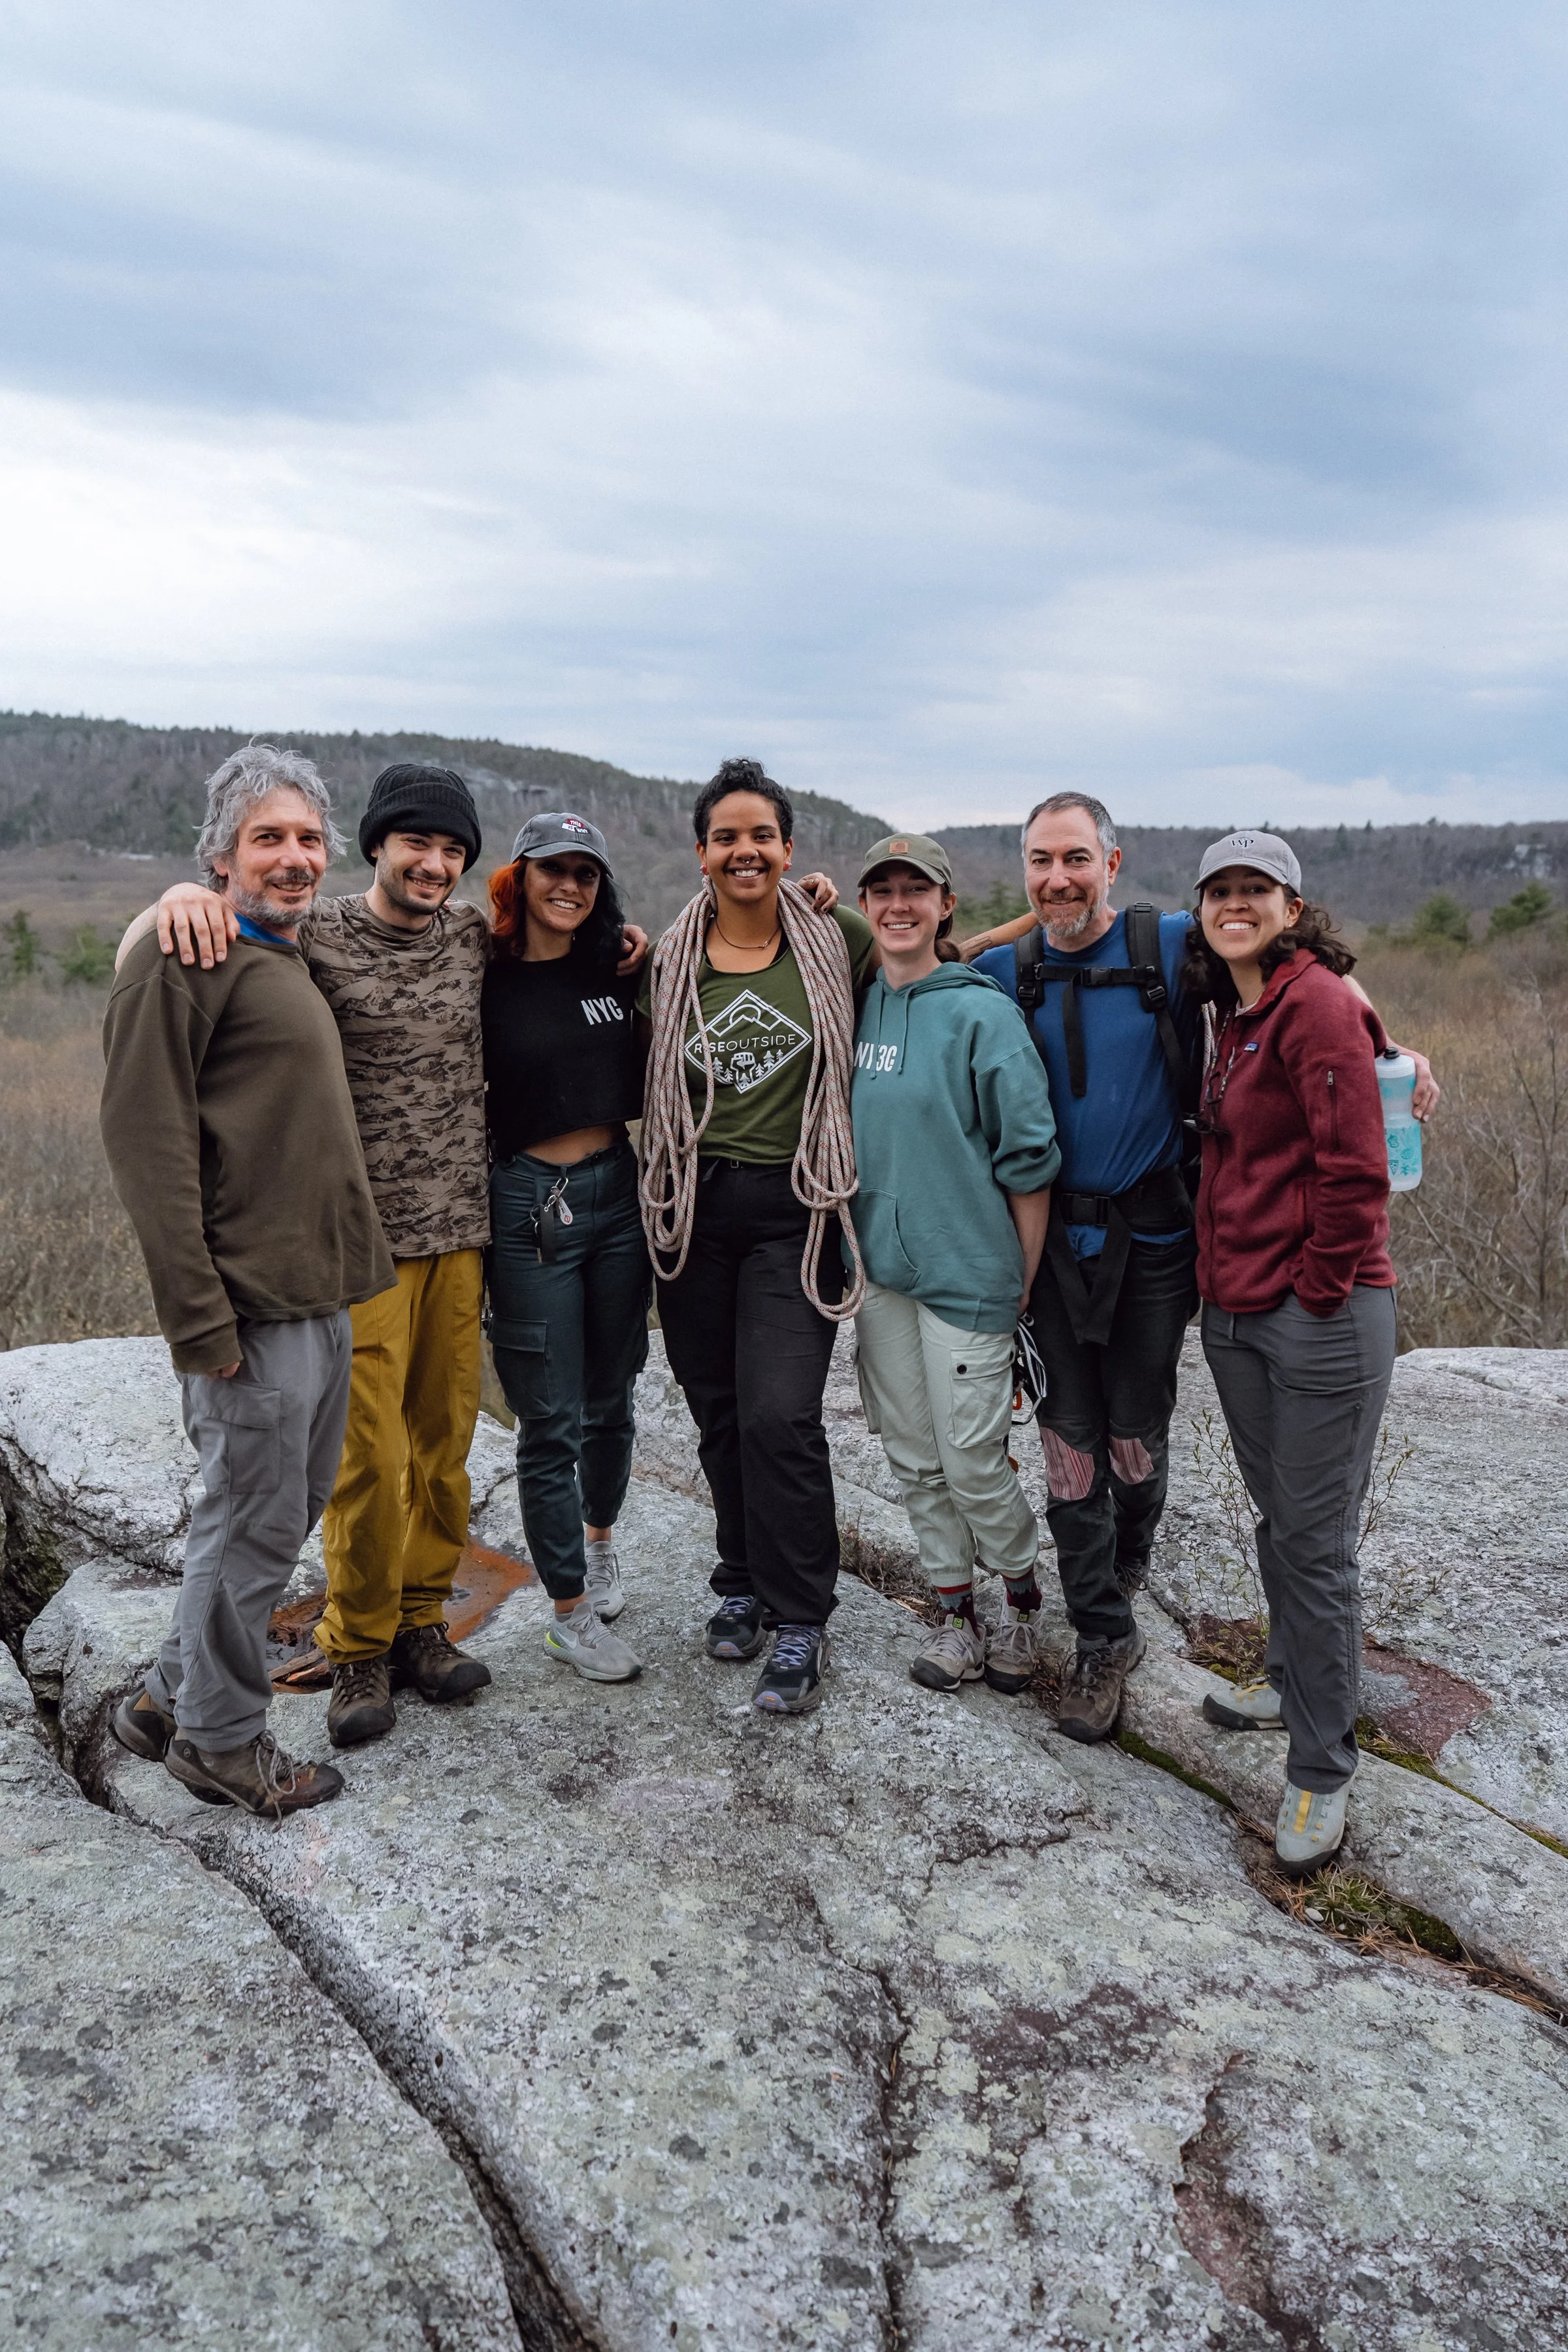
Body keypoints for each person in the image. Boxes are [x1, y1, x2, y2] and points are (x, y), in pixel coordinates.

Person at [968, 792, 1437, 1748]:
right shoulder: (995, 971)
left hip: (1154, 1244)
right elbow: (916, 965)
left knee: (1135, 1431)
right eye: (1040, 861)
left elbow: (1293, 976)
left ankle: (1129, 1553)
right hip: (1049, 1245)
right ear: (1025, 871)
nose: (1059, 878)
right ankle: (1104, 1629)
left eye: (1076, 859)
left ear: (1114, 860)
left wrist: (1391, 1052)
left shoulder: (1169, 946)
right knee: (1068, 1437)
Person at [120, 761, 503, 1747]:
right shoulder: (313, 928)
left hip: (457, 1229)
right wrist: (172, 897)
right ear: (374, 846)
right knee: (360, 1464)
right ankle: (357, 1645)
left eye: (453, 848)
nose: (434, 862)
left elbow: (574, 932)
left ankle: (421, 1622)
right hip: (350, 1244)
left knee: (440, 1448)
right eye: (416, 841)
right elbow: (190, 936)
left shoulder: (471, 933)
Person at [103, 745, 395, 1815]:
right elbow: (148, 1147)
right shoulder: (185, 957)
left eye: (309, 838)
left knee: (279, 1510)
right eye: (267, 837)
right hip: (247, 1311)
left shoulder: (280, 952)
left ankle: (163, 1702)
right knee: (254, 1525)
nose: (293, 857)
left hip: (315, 1297)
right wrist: (197, 1319)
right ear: (221, 854)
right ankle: (222, 1743)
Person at [638, 757, 875, 1716]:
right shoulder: (666, 959)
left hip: (798, 1208)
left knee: (783, 1414)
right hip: (693, 1210)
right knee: (721, 1411)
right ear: (702, 854)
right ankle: (738, 1576)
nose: (746, 851)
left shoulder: (835, 937)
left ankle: (799, 1616)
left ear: (787, 849)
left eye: (762, 836)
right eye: (727, 837)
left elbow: (940, 956)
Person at [1184, 830, 1397, 1878]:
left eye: (1254, 890)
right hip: (1238, 1308)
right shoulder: (1235, 1010)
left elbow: (1358, 1170)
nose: (1236, 904)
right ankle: (1287, 1678)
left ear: (1292, 906)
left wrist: (1315, 1294)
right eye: (1219, 890)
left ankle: (1321, 1766)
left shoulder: (1315, 1004)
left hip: (1316, 1314)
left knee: (1316, 1546)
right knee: (1285, 1521)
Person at [847, 835, 1060, 1697]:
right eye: (883, 892)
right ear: (868, 907)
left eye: (916, 892)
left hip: (971, 1275)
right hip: (882, 1276)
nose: (899, 906)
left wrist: (1020, 1288)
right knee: (913, 1455)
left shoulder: (982, 1014)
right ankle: (955, 1612)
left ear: (944, 907)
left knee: (972, 1458)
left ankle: (1020, 1599)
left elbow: (1031, 1161)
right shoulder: (856, 1004)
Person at [483, 813, 649, 1687]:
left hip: (616, 1193)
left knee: (612, 1396)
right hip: (527, 1204)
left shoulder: (615, 967)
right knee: (549, 1422)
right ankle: (568, 1614)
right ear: (520, 878)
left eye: (586, 874)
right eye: (554, 870)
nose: (571, 888)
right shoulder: (483, 974)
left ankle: (601, 1543)